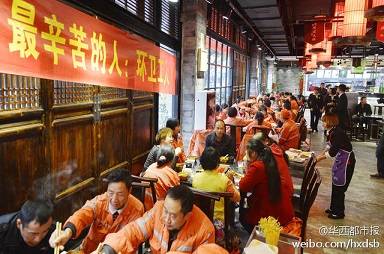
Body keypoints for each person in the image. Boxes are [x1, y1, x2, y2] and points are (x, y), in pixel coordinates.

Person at [91, 185, 215, 254]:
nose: (166, 219)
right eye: (166, 211)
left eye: (173, 215)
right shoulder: (159, 209)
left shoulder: (206, 230)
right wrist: (109, 248)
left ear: (187, 216)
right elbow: (135, 230)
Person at [49, 169, 144, 253]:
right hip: (87, 250)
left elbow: (130, 239)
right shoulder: (100, 201)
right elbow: (82, 214)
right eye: (110, 192)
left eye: (120, 194)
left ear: (129, 191)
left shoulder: (137, 209)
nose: (114, 199)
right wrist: (67, 233)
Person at [239, 136, 294, 233]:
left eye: (247, 153)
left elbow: (243, 186)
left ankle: (257, 238)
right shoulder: (269, 160)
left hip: (271, 216)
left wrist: (248, 165)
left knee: (242, 217)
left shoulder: (257, 166)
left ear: (254, 153)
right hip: (281, 207)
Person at [192, 147, 240, 241]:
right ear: (217, 163)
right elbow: (237, 198)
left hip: (200, 220)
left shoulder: (196, 178)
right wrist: (231, 180)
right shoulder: (224, 180)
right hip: (219, 224)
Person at [316, 106, 355, 219]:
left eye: (323, 121)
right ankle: (333, 208)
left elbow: (332, 152)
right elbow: (329, 145)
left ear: (329, 122)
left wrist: (318, 159)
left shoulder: (338, 133)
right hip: (340, 160)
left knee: (340, 187)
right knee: (335, 185)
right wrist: (320, 153)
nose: (322, 123)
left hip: (347, 162)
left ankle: (339, 212)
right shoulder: (332, 131)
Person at [143, 145, 180, 210]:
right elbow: (176, 195)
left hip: (147, 207)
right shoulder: (172, 174)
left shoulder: (151, 167)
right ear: (172, 160)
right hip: (162, 209)